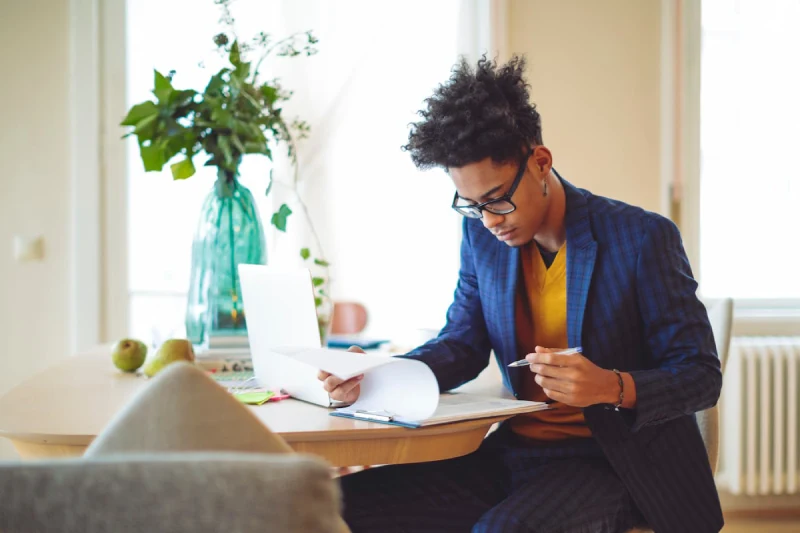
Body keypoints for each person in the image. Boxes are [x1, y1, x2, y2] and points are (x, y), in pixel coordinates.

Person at [317, 56, 723, 533]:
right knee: (330, 503)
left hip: (609, 465)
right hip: (511, 454)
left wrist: (611, 385)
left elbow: (700, 375)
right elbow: (462, 344)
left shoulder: (641, 238)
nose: (489, 219)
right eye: (471, 206)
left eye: (496, 199)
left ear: (541, 162)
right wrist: (381, 375)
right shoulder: (483, 242)